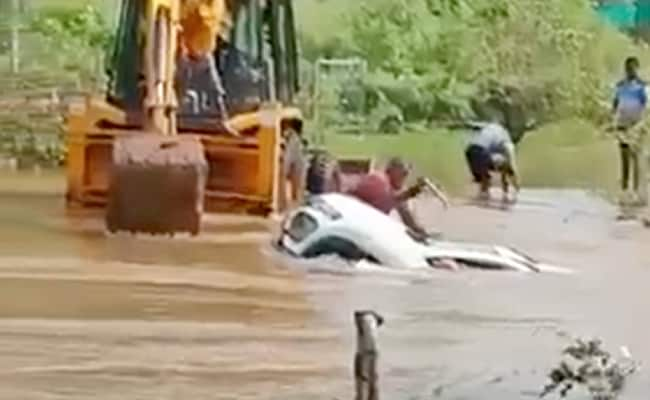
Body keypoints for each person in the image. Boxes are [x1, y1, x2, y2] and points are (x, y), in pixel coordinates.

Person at [347, 157, 432, 239]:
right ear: (392, 170)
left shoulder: (394, 188)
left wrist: (420, 231)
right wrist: (412, 192)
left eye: (406, 173)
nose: (405, 176)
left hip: (364, 226)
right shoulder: (379, 179)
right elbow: (387, 200)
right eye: (403, 172)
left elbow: (406, 214)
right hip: (350, 221)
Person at [612, 56, 647, 204]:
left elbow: (646, 106)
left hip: (637, 127)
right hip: (622, 126)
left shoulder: (642, 87)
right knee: (624, 160)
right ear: (625, 69)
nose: (631, 71)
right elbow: (615, 104)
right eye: (628, 68)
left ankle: (637, 191)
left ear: (637, 69)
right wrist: (613, 120)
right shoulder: (620, 86)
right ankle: (625, 191)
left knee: (636, 159)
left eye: (633, 68)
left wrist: (643, 125)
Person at [464, 118, 519, 201]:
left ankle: (480, 200)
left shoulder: (490, 126)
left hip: (470, 150)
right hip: (481, 150)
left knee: (483, 179)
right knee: (486, 180)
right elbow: (511, 163)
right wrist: (516, 185)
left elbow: (474, 125)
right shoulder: (506, 139)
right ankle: (484, 202)